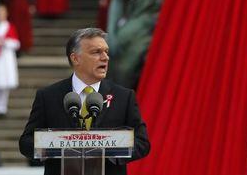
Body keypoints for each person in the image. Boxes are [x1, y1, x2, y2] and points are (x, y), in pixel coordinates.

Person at [19, 28, 150, 175]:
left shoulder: (124, 97)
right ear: (75, 58)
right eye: (96, 52)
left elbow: (142, 142)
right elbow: (26, 142)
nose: (105, 57)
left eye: (106, 52)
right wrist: (53, 147)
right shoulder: (48, 96)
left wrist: (112, 149)